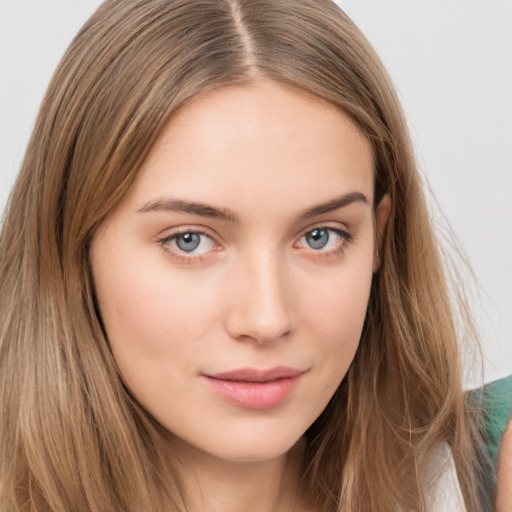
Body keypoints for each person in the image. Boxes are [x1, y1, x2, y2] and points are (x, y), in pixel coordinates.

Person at [0, 0, 507, 511]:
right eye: (189, 240)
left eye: (320, 236)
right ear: (72, 244)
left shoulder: (482, 475)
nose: (266, 320)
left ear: (378, 237)